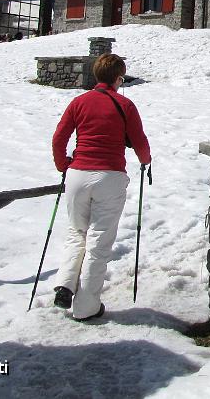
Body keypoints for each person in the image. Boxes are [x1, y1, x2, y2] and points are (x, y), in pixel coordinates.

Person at [52, 53, 151, 321]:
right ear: (118, 78)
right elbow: (139, 140)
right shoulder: (124, 104)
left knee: (76, 233)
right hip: (109, 175)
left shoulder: (79, 102)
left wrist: (64, 164)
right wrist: (146, 161)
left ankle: (64, 283)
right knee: (99, 239)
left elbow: (60, 137)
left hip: (77, 174)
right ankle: (86, 306)